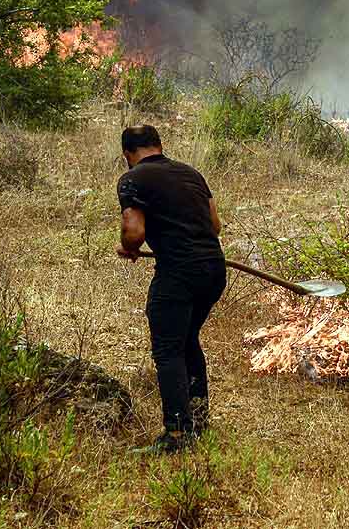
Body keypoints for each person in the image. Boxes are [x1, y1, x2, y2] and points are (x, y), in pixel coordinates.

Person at [115, 125, 225, 453]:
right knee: (188, 341)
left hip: (179, 273)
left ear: (127, 155)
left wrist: (129, 246)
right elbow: (215, 226)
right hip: (213, 270)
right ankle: (199, 419)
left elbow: (133, 231)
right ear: (160, 146)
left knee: (168, 350)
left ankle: (177, 435)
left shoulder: (133, 179)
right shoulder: (191, 173)